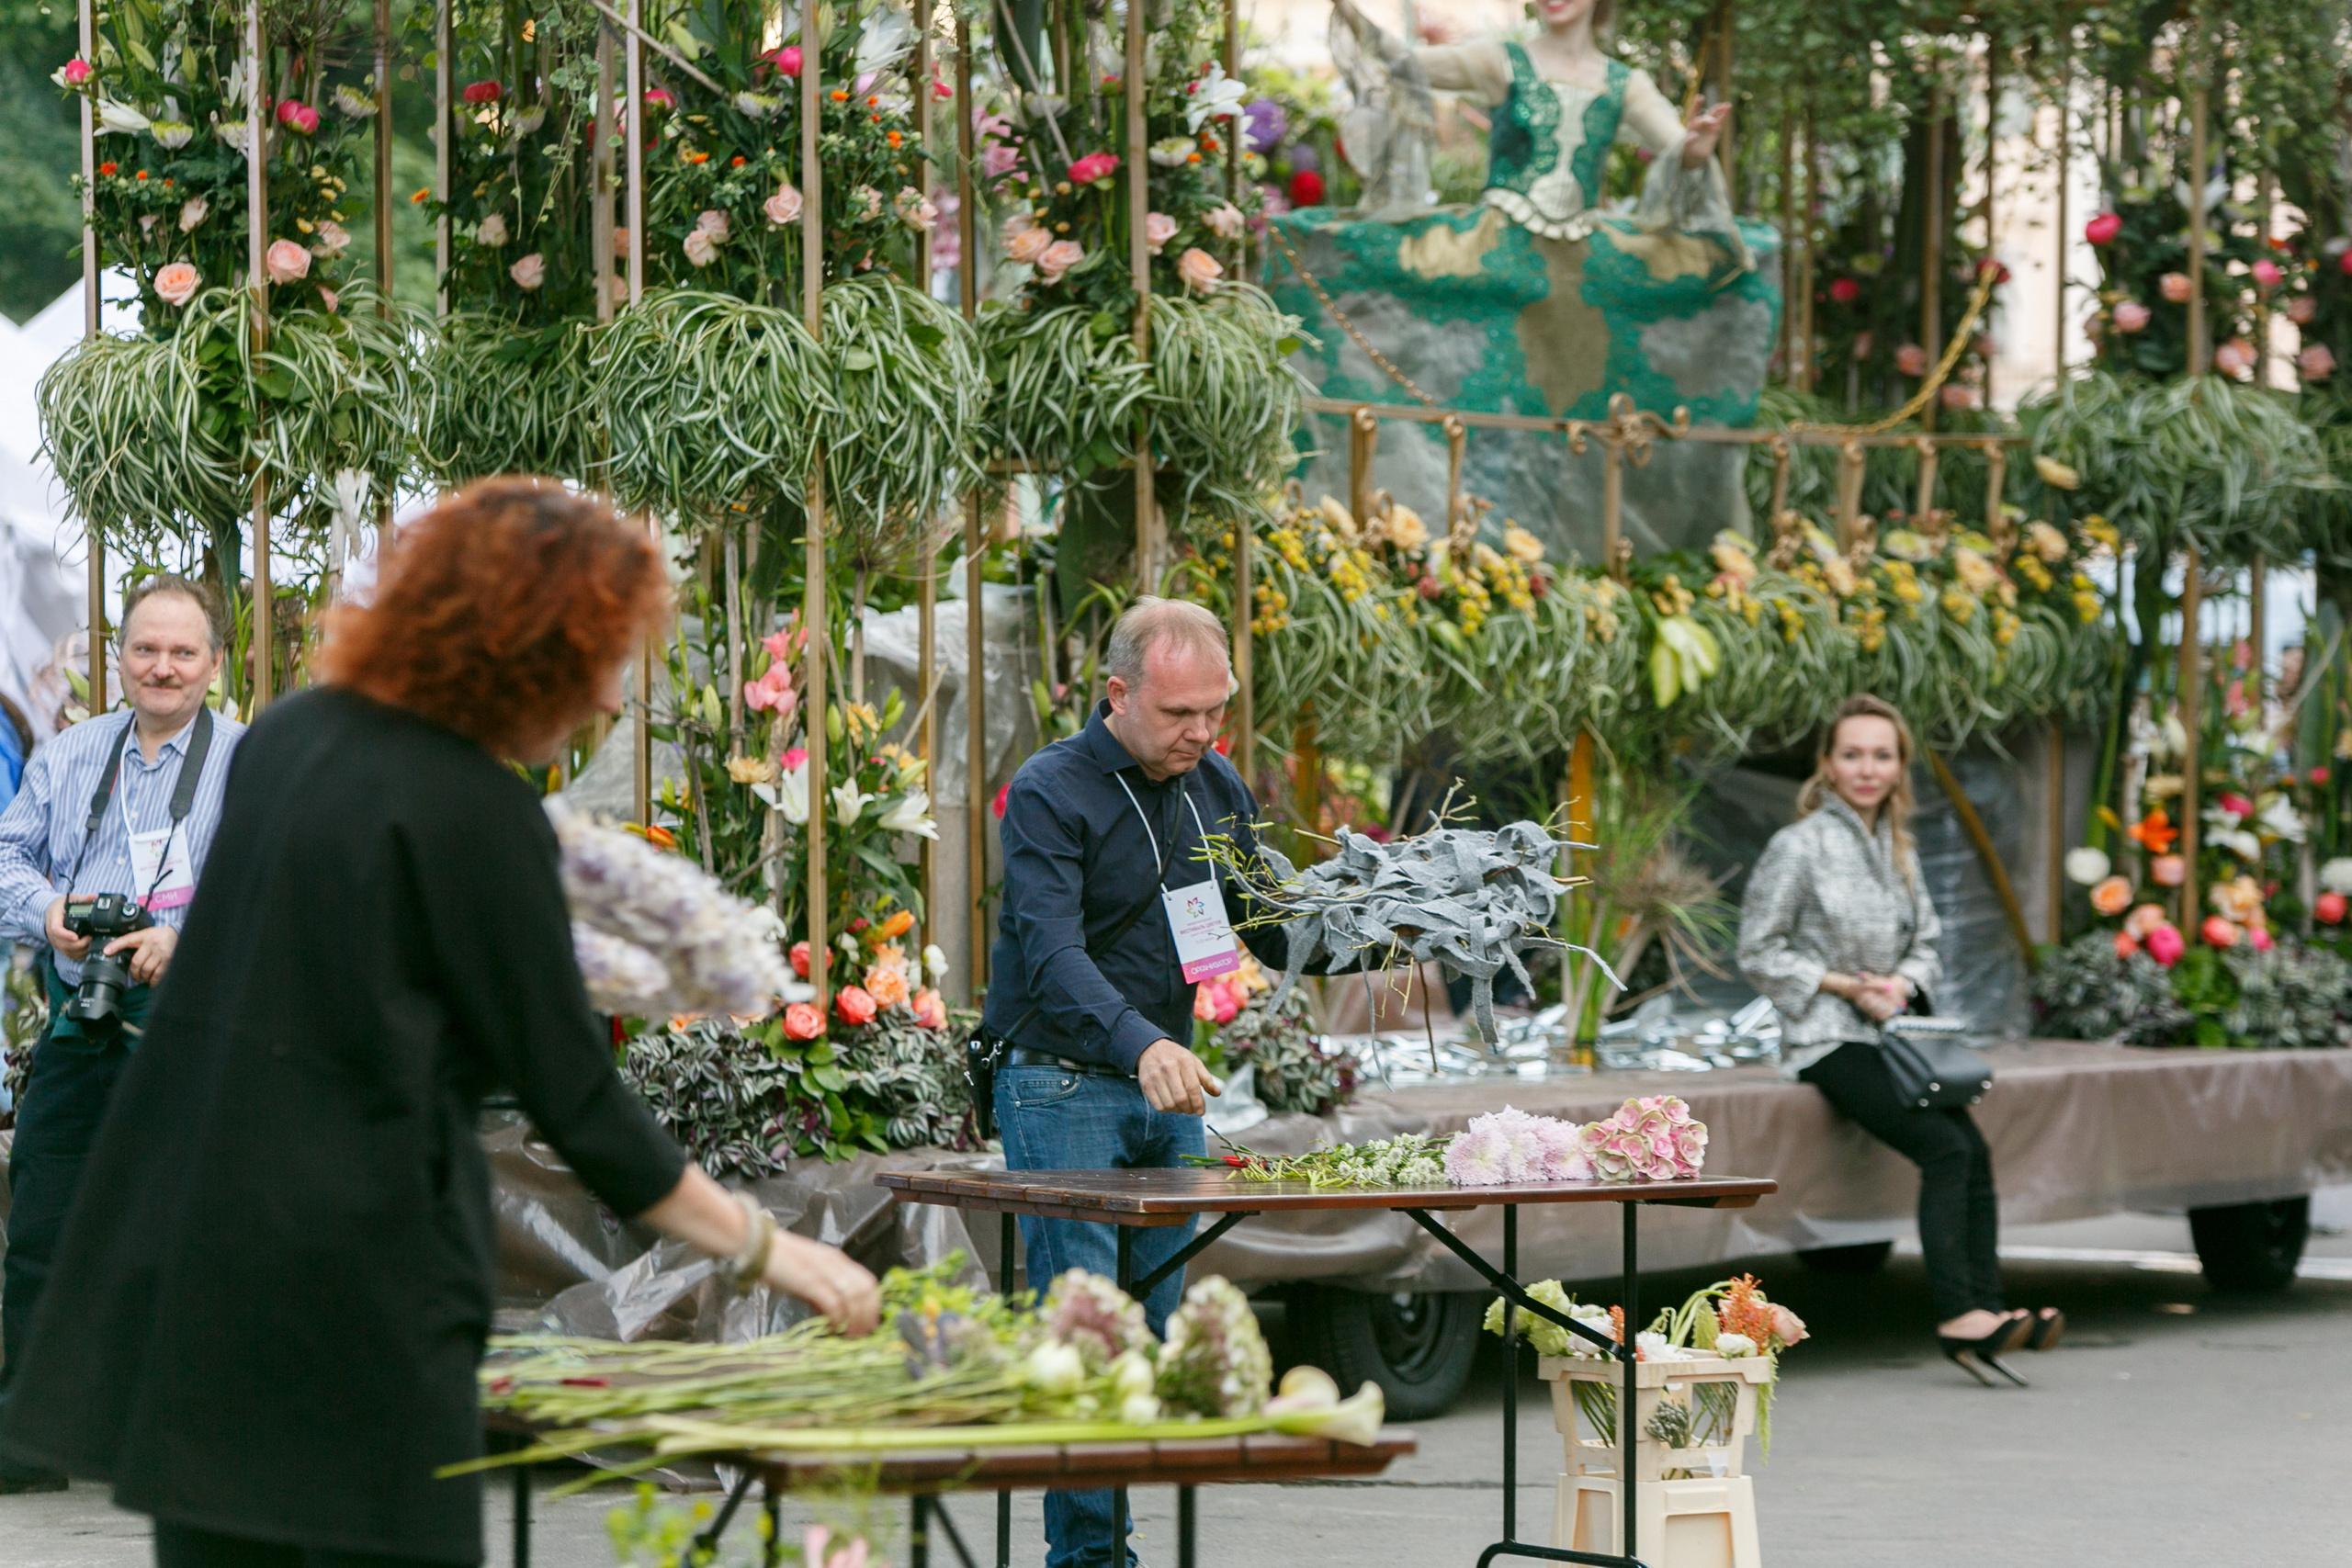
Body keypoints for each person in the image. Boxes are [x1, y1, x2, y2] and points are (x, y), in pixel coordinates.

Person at [0, 479, 880, 1565]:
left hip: (201, 1285)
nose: (611, 690)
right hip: (360, 1295)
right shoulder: (476, 810)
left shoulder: (290, 741)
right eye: (600, 653)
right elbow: (578, 1101)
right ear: (531, 649)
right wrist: (775, 1252)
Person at [983, 596, 1297, 1568]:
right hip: (1062, 1086)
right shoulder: (1049, 790)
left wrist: (1382, 920)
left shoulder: (1215, 786)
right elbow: (1049, 949)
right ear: (1118, 694)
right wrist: (1138, 1042)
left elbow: (1263, 925)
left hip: (1169, 1094)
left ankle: (1109, 1547)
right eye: (1179, 716)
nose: (1202, 735)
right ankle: (1086, 1563)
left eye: (1216, 713)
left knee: (1156, 1337)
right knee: (1088, 1340)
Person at [0, 575, 244, 1493]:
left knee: (195, 1231)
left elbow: (276, 881)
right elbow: (4, 854)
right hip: (82, 1018)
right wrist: (49, 908)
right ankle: (34, 1433)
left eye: (184, 651)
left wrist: (188, 937)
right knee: (46, 1227)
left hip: (198, 1031)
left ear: (214, 663)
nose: (163, 667)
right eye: (146, 649)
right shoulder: (69, 757)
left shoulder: (248, 762)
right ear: (119, 657)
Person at [1736, 694, 2061, 1386]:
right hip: (1825, 1037)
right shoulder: (1800, 845)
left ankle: (1987, 1309)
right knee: (1944, 1147)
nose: (1866, 767)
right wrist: (1842, 985)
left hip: (1892, 1032)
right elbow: (1758, 950)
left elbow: (1930, 943)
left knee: (1972, 1147)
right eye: (1852, 753)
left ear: (1899, 765)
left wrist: (1898, 982)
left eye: (1881, 755)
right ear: (1826, 764)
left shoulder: (1899, 847)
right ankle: (1958, 1314)